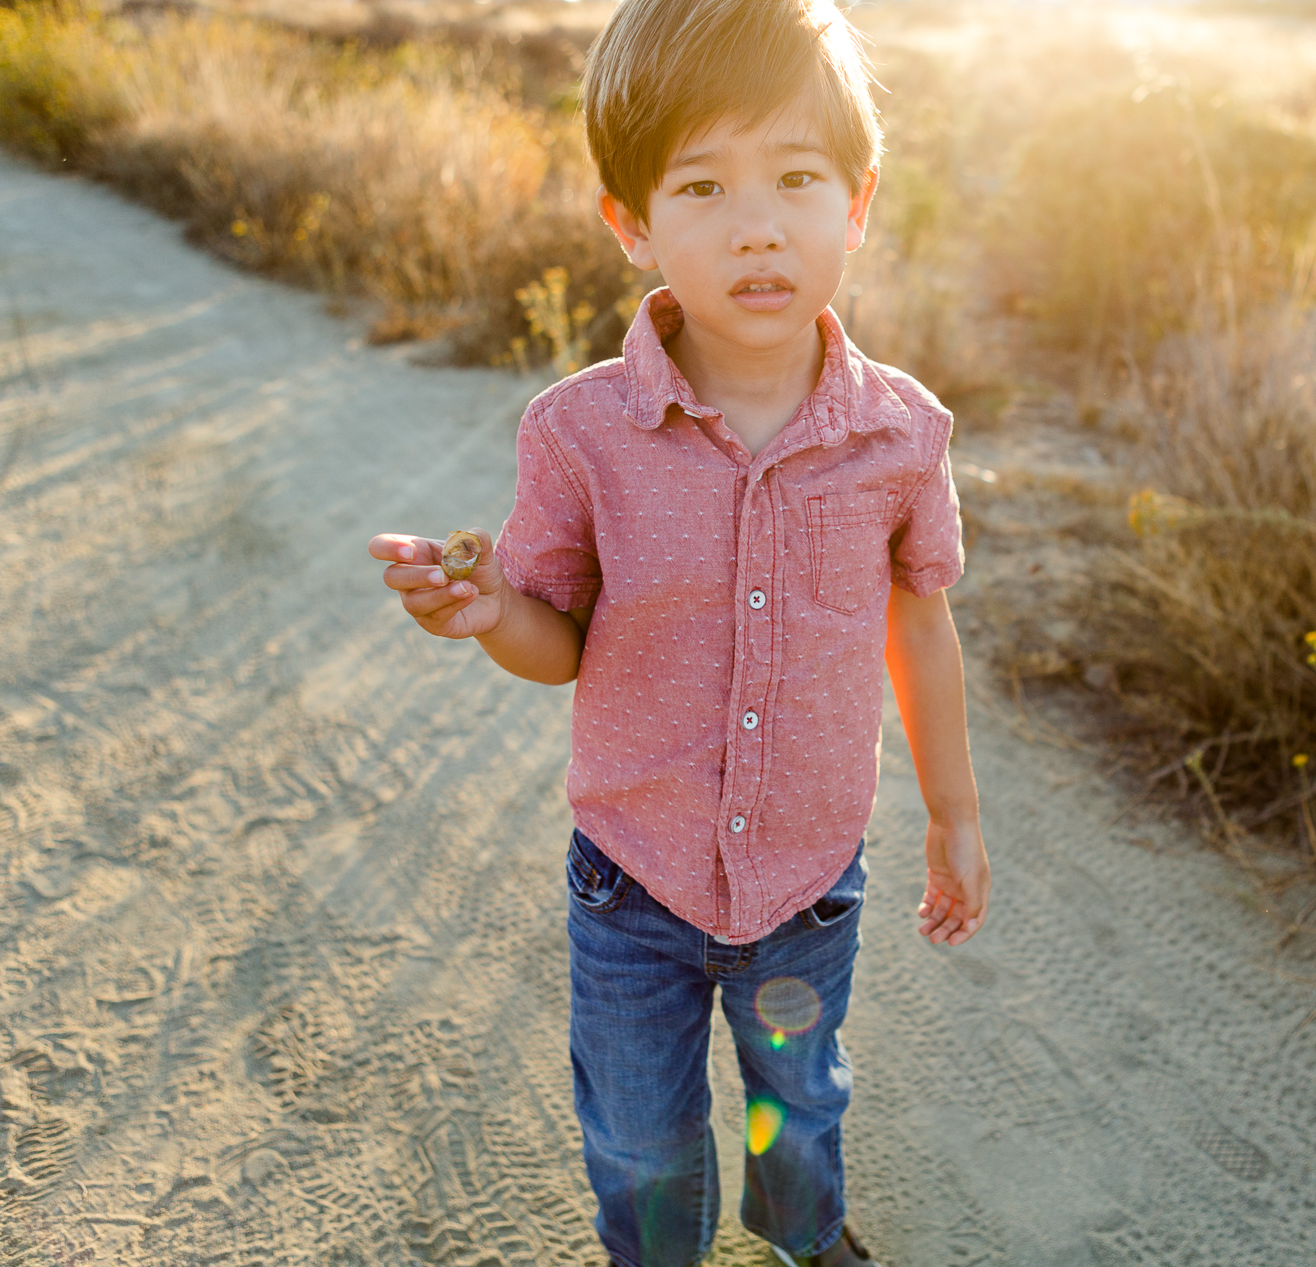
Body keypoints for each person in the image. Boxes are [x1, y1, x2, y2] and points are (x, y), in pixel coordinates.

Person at [367, 1, 989, 1263]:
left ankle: (806, 1230)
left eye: (798, 178)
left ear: (857, 203)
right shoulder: (578, 434)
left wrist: (953, 812)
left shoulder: (900, 435)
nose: (758, 223)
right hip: (630, 882)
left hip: (810, 884)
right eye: (702, 185)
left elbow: (918, 625)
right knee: (641, 1138)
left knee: (799, 1103)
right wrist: (490, 612)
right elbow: (559, 641)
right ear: (632, 223)